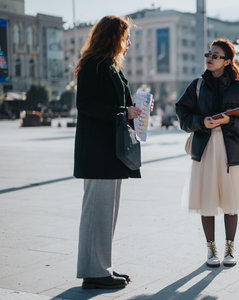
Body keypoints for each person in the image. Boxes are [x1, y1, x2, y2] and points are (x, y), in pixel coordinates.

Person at [73, 16, 142, 289]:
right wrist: (122, 111)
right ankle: (93, 272)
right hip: (97, 151)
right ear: (113, 37)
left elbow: (119, 103)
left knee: (106, 213)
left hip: (111, 151)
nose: (128, 43)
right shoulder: (94, 65)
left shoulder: (111, 67)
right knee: (96, 212)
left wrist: (134, 111)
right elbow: (86, 105)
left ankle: (103, 266)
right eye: (125, 38)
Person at [176, 39, 239, 268]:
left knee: (232, 201)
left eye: (216, 55)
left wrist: (229, 121)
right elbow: (182, 114)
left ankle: (230, 249)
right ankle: (211, 250)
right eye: (208, 54)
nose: (209, 58)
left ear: (228, 61)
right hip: (206, 150)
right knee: (207, 200)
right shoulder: (197, 85)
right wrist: (203, 122)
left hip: (233, 153)